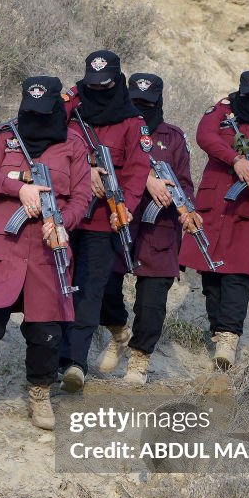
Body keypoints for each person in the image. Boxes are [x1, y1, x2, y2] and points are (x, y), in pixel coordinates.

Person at [0, 76, 90, 434]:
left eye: (43, 112)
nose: (35, 119)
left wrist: (63, 224)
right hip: (1, 248)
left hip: (46, 251)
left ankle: (39, 394)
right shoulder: (5, 136)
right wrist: (18, 188)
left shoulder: (73, 145)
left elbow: (82, 199)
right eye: (30, 111)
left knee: (46, 332)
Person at [178, 70, 249, 369]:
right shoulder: (221, 110)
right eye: (248, 95)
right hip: (216, 203)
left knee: (238, 274)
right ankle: (218, 328)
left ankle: (229, 337)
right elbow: (205, 136)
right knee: (211, 273)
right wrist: (235, 160)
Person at [96, 72, 196, 384]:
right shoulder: (113, 130)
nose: (142, 110)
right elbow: (104, 169)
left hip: (159, 230)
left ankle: (139, 359)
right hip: (118, 223)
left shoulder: (174, 138)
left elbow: (186, 183)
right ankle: (118, 333)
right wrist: (145, 181)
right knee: (102, 288)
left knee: (151, 304)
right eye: (136, 103)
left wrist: (185, 207)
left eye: (148, 104)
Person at [58, 51, 149, 392]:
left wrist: (123, 207)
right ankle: (52, 357)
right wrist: (85, 169)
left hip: (101, 222)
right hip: (66, 214)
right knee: (58, 287)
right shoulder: (73, 106)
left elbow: (138, 173)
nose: (97, 90)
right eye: (91, 84)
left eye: (104, 85)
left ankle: (73, 363)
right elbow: (45, 129)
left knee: (88, 293)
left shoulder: (132, 121)